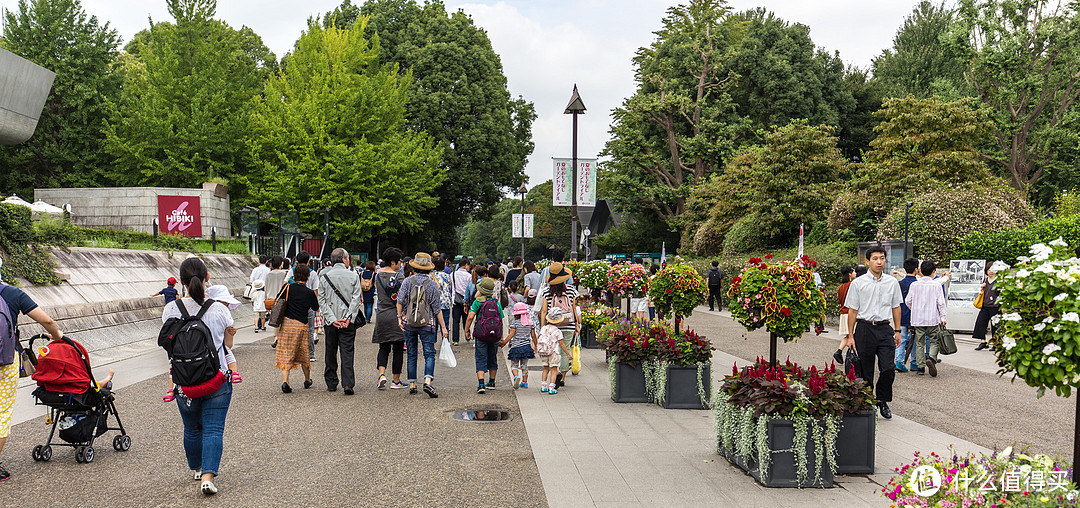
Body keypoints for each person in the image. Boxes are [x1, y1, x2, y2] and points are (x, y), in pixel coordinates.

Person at [161, 257, 234, 495]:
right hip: (217, 380)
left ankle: (196, 467)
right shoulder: (220, 309)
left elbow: (169, 346)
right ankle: (208, 477)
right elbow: (227, 344)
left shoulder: (171, 309)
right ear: (207, 278)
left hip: (184, 382)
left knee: (191, 428)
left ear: (181, 281)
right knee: (213, 429)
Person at [0, 280, 65, 481]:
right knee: (1, 412)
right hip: (5, 361)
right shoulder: (12, 293)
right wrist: (56, 336)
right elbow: (47, 322)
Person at [841, 245, 903, 420]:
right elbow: (852, 311)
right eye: (875, 258)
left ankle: (882, 400)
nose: (879, 262)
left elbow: (896, 307)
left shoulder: (892, 282)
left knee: (888, 369)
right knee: (866, 369)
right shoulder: (858, 283)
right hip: (864, 328)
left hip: (884, 328)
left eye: (882, 258)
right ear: (867, 261)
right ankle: (868, 402)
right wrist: (850, 336)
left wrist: (897, 331)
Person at [396, 253, 447, 398]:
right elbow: (437, 309)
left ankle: (412, 385)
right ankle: (427, 381)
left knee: (412, 353)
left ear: (415, 267)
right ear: (429, 268)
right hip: (427, 322)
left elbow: (399, 301)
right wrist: (443, 327)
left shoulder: (407, 281)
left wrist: (399, 318)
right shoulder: (432, 285)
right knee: (429, 353)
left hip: (409, 321)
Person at [318, 248, 364, 395]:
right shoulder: (353, 276)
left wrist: (332, 319)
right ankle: (348, 383)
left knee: (330, 351)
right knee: (347, 351)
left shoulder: (324, 277)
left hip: (331, 321)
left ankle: (331, 382)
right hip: (347, 321)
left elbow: (322, 300)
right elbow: (356, 299)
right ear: (344, 259)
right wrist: (348, 317)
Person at [275, 265, 318, 393]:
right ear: (307, 276)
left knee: (286, 352)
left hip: (287, 324)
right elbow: (315, 307)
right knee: (304, 353)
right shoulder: (309, 292)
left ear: (294, 275)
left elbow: (278, 300)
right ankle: (307, 379)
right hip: (302, 326)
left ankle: (285, 381)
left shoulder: (287, 288)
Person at [540, 262, 579, 389]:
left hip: (552, 326)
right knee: (564, 350)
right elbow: (574, 308)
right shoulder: (572, 290)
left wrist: (542, 327)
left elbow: (544, 311)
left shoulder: (546, 291)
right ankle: (562, 377)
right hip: (568, 324)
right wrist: (577, 324)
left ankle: (554, 373)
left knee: (553, 351)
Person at [372, 248, 407, 390]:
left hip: (381, 315)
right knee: (398, 348)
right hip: (395, 315)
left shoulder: (377, 277)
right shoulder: (400, 278)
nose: (400, 264)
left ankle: (381, 375)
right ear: (393, 262)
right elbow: (403, 299)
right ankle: (396, 381)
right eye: (399, 261)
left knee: (383, 347)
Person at [906, 260, 948, 377]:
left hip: (917, 319)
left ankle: (920, 367)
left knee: (919, 342)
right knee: (934, 340)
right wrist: (943, 317)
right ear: (933, 271)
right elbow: (941, 303)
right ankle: (932, 359)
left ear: (920, 271)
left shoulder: (914, 285)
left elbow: (908, 301)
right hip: (932, 318)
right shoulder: (936, 285)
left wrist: (914, 309)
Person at [464, 277, 503, 393]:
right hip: (494, 334)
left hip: (481, 334)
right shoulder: (496, 303)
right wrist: (501, 336)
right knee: (492, 357)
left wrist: (467, 330)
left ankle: (481, 384)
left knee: (480, 357)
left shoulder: (478, 302)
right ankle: (492, 381)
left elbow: (470, 316)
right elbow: (501, 320)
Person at [973, 261, 1007, 351]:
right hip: (985, 305)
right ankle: (983, 342)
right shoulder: (985, 280)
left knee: (995, 325)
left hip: (996, 306)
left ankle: (996, 343)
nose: (991, 272)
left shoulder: (999, 280)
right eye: (989, 270)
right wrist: (982, 288)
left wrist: (1003, 305)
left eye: (993, 270)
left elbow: (1003, 293)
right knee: (980, 323)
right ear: (986, 271)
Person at [894, 258, 919, 373]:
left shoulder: (899, 283)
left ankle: (899, 361)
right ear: (916, 269)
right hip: (915, 316)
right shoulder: (918, 284)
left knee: (901, 339)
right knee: (915, 339)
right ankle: (914, 363)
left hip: (901, 315)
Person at [506, 302, 537, 390]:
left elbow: (511, 335)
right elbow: (533, 336)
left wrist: (504, 342)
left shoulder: (515, 323)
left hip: (516, 347)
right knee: (524, 366)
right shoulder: (530, 323)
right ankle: (524, 382)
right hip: (526, 347)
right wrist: (536, 345)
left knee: (514, 365)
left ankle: (516, 377)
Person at [536, 322, 569, 394]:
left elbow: (539, 337)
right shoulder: (558, 331)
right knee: (553, 369)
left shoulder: (544, 328)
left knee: (545, 368)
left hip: (544, 351)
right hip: (554, 352)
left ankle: (543, 386)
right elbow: (562, 344)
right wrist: (568, 354)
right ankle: (551, 387)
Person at [264, 256, 288, 349]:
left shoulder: (269, 274)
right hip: (282, 299)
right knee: (284, 320)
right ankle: (282, 339)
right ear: (280, 263)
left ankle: (276, 338)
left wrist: (266, 299)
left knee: (276, 320)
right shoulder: (284, 274)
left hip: (272, 299)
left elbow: (266, 288)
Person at [451, 257, 472, 345]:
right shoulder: (468, 276)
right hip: (465, 301)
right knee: (466, 319)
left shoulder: (452, 274)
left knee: (455, 320)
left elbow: (451, 287)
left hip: (455, 299)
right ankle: (467, 335)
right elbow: (469, 289)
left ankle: (455, 340)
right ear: (466, 265)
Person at [432, 256, 453, 341]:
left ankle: (433, 346)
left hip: (434, 303)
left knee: (434, 326)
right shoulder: (447, 276)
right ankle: (445, 343)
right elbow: (449, 288)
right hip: (445, 302)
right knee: (445, 325)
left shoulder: (431, 276)